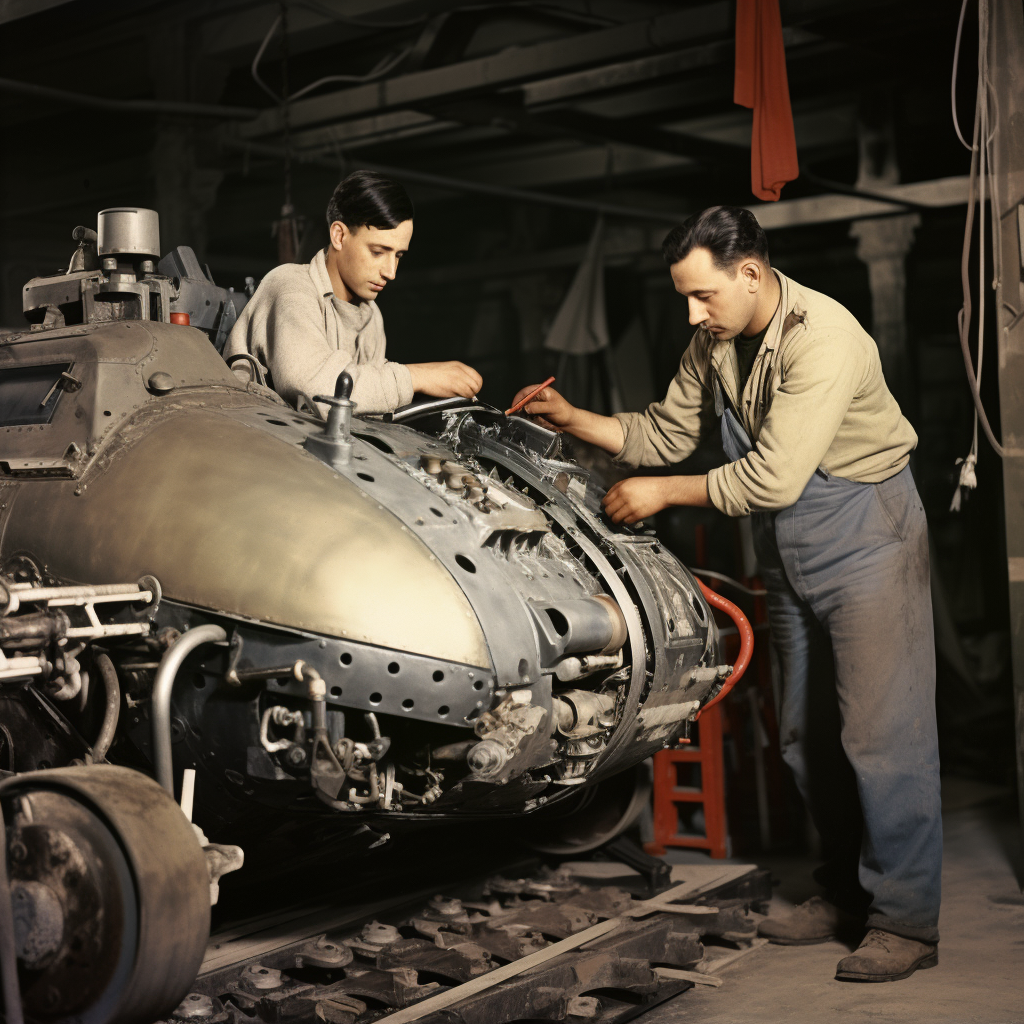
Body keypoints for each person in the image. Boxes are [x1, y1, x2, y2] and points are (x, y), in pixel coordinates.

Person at [512, 206, 941, 983]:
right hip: (789, 540)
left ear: (750, 273)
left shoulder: (825, 339)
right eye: (684, 298)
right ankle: (845, 892)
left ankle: (906, 919)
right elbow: (665, 435)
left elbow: (770, 476)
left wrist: (660, 496)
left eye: (702, 296)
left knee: (883, 737)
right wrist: (573, 417)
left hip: (866, 532)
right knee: (805, 738)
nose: (692, 313)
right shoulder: (716, 340)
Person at [226, 170, 481, 414]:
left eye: (399, 255)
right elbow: (318, 392)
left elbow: (364, 409)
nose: (391, 272)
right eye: (378, 252)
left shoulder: (371, 317)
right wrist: (416, 377)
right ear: (339, 236)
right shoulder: (290, 286)